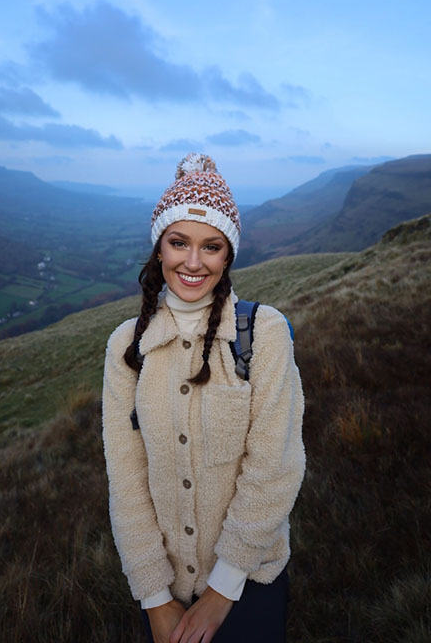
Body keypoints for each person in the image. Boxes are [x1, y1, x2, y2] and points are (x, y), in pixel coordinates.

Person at [102, 154, 306, 643]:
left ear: (228, 256)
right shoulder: (127, 347)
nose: (193, 263)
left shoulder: (263, 333)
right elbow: (126, 479)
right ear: (158, 249)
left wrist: (223, 590)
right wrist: (154, 598)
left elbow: (276, 465)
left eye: (211, 247)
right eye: (178, 243)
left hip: (250, 582)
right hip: (165, 592)